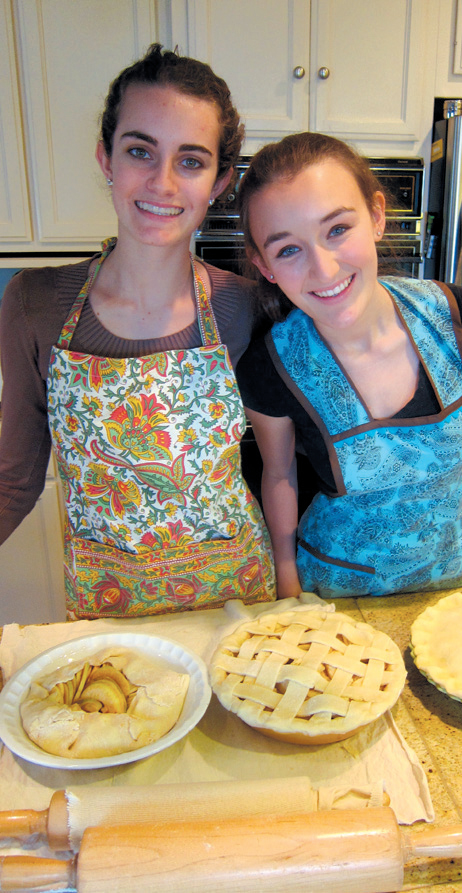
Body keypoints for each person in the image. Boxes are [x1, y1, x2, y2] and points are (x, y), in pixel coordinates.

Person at [235, 132, 462, 599]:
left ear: (377, 217)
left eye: (337, 229)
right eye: (288, 249)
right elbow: (279, 475)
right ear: (266, 267)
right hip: (337, 593)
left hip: (455, 581)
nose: (323, 269)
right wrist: (287, 591)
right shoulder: (272, 365)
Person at [0, 45, 276, 619]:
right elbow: (14, 481)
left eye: (191, 161)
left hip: (237, 609)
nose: (163, 182)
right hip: (108, 618)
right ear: (106, 157)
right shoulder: (35, 304)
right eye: (139, 151)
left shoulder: (249, 308)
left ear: (220, 179)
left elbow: (308, 447)